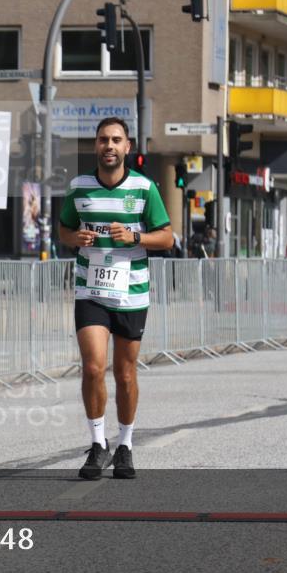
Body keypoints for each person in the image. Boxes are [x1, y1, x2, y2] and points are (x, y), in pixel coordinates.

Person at [58, 117, 173, 480]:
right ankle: (97, 444)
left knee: (124, 374)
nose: (109, 145)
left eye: (116, 140)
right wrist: (73, 238)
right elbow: (63, 229)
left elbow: (167, 238)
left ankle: (125, 445)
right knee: (93, 367)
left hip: (131, 292)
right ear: (95, 146)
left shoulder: (143, 188)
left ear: (128, 147)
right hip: (90, 290)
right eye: (103, 139)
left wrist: (135, 238)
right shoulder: (79, 187)